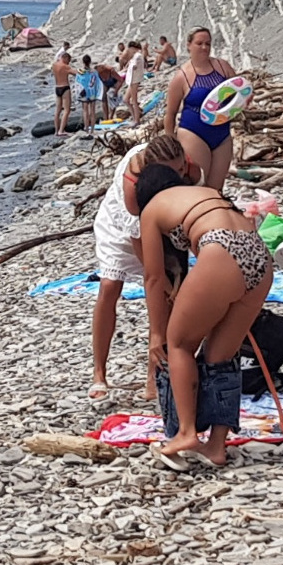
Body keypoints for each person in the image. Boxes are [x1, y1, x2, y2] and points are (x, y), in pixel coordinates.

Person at [135, 164, 280, 468]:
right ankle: (216, 446)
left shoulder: (151, 210)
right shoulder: (206, 193)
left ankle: (186, 433)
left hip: (222, 249)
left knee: (178, 344)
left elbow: (153, 278)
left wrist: (156, 334)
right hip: (260, 256)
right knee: (220, 357)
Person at [86, 127, 193, 402]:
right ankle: (99, 372)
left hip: (163, 223)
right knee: (111, 286)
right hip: (123, 228)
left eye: (180, 169)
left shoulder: (184, 166)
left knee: (164, 300)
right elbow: (148, 263)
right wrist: (165, 282)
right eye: (172, 173)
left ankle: (152, 375)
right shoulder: (131, 187)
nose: (179, 176)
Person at [159, 25, 242, 190]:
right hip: (194, 132)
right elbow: (170, 114)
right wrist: (172, 145)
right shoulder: (181, 77)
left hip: (222, 133)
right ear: (189, 45)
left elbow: (239, 91)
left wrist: (243, 102)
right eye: (199, 43)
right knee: (198, 187)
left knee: (216, 189)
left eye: (208, 43)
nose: (204, 47)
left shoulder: (223, 67)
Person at [51, 40, 76, 136]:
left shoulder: (54, 65)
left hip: (57, 88)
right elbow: (77, 73)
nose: (68, 63)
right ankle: (62, 130)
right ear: (65, 58)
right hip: (65, 87)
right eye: (68, 61)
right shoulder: (65, 67)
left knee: (57, 110)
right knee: (67, 110)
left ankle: (56, 131)